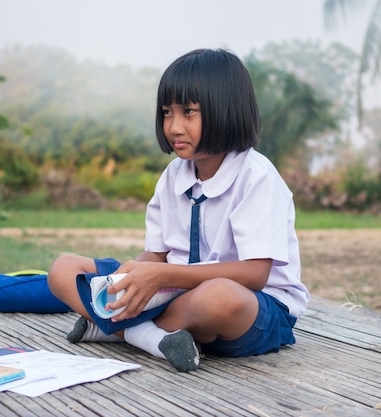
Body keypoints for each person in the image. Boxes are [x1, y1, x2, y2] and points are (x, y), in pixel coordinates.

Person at [47, 48, 309, 372]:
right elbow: (157, 256)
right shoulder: (173, 175)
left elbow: (255, 273)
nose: (174, 126)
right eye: (167, 112)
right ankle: (149, 335)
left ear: (225, 110)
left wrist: (161, 277)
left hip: (253, 307)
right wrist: (136, 272)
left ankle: (122, 330)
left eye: (188, 112)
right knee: (63, 269)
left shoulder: (257, 176)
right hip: (172, 293)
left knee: (216, 298)